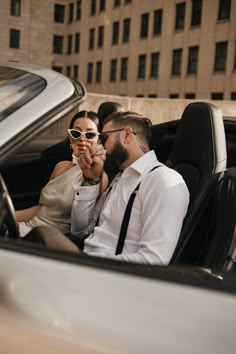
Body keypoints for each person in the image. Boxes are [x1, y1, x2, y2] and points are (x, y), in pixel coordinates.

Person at [71, 111, 189, 265]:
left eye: (104, 138)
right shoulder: (119, 179)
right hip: (84, 261)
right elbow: (81, 230)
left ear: (127, 135)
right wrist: (90, 180)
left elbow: (154, 261)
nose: (99, 145)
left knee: (44, 237)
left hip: (105, 274)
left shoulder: (162, 179)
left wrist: (92, 264)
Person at [16, 110, 107, 237]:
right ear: (70, 137)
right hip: (29, 228)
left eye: (90, 134)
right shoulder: (61, 165)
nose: (82, 138)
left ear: (99, 140)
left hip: (49, 239)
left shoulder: (98, 176)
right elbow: (42, 209)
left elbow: (82, 226)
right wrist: (10, 216)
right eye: (76, 133)